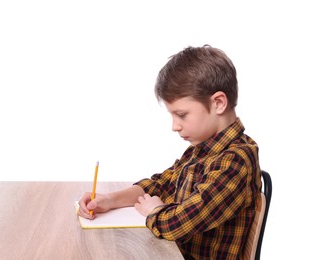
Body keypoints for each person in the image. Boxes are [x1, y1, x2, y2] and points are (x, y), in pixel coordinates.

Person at [77, 45, 261, 259]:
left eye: (181, 115)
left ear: (218, 103)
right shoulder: (201, 150)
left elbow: (178, 224)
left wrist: (153, 211)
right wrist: (109, 200)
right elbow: (160, 184)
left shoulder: (235, 162)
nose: (175, 126)